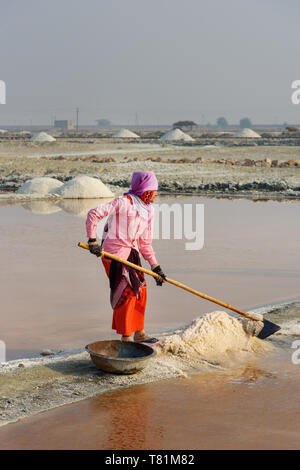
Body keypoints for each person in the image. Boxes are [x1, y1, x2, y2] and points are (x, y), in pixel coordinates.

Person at [86, 171, 166, 343]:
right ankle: (126, 338)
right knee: (127, 293)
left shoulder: (148, 211)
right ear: (146, 191)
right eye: (154, 190)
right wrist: (92, 241)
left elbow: (144, 243)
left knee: (141, 290)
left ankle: (139, 333)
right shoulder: (123, 203)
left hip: (132, 254)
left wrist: (155, 267)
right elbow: (93, 214)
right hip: (113, 254)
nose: (156, 194)